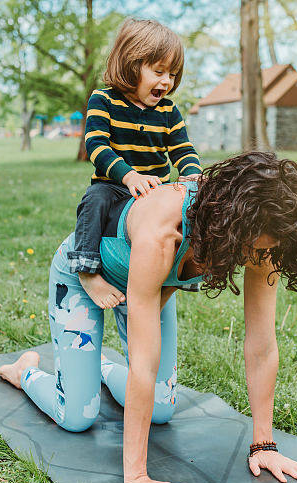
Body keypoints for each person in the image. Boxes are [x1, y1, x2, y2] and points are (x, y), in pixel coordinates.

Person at [0, 151, 297, 483]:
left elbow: (261, 344)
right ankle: (23, 371)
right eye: (259, 248)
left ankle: (99, 366)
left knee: (161, 408)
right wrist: (137, 479)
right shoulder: (163, 233)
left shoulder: (265, 237)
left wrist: (264, 444)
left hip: (151, 287)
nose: (263, 257)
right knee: (77, 416)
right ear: (233, 222)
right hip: (87, 276)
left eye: (271, 249)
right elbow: (144, 364)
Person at [68, 18, 203, 310]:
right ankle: (87, 271)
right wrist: (128, 177)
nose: (166, 81)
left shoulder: (168, 111)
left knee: (189, 211)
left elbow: (183, 150)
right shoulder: (103, 100)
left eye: (172, 74)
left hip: (156, 193)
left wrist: (192, 174)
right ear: (132, 65)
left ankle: (182, 275)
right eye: (159, 72)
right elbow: (96, 145)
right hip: (115, 189)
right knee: (93, 199)